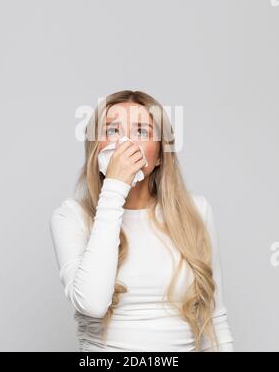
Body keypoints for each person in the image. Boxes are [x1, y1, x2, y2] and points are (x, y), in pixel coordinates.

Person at [50, 90, 234, 352]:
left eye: (141, 131)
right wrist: (114, 188)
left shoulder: (196, 211)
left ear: (160, 156)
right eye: (112, 131)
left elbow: (215, 321)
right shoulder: (71, 217)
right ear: (95, 149)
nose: (125, 142)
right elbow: (92, 303)